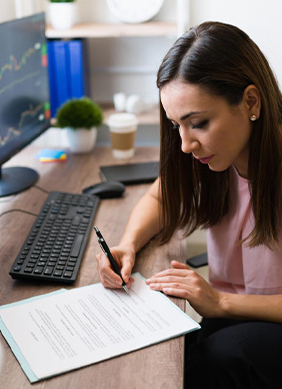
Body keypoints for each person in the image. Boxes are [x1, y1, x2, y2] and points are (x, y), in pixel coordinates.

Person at [96, 21, 282, 388]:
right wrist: (128, 245)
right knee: (166, 350)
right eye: (176, 124)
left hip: (256, 317)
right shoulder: (213, 154)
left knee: (203, 363)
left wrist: (222, 303)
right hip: (230, 310)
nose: (184, 144)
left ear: (250, 102)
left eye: (198, 123)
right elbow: (159, 196)